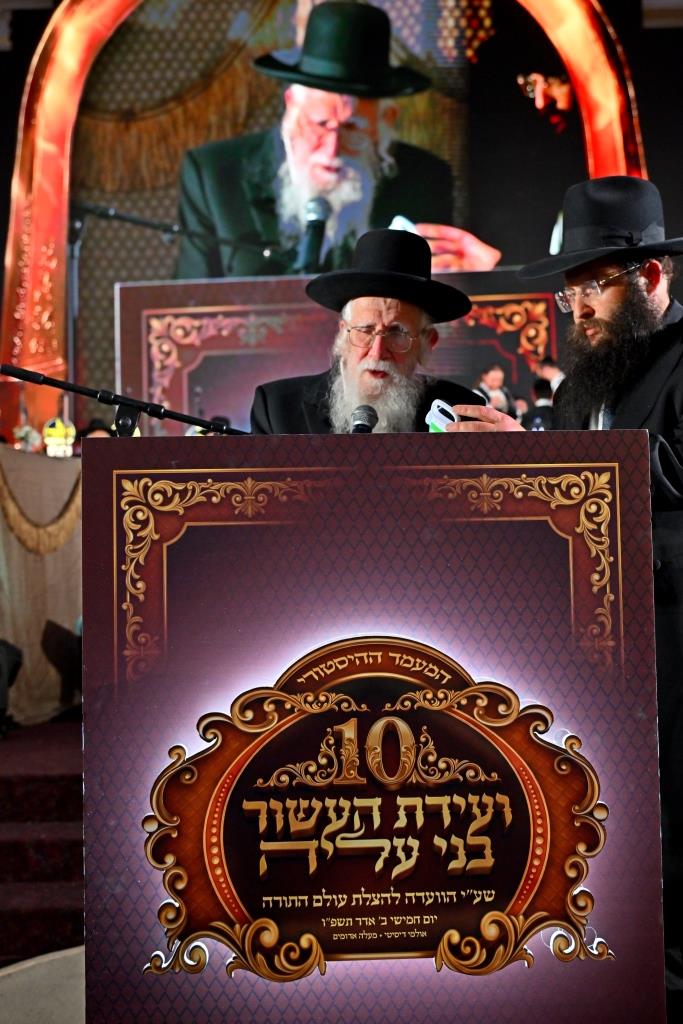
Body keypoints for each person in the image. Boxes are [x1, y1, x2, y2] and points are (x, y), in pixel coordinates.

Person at [445, 175, 683, 1016]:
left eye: (595, 286)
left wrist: (538, 455)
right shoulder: (589, 375)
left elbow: (669, 473)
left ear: (650, 277)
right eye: (568, 290)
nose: (576, 307)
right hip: (598, 647)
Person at [175, 1, 500, 279]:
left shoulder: (424, 179)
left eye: (353, 128)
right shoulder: (214, 176)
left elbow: (437, 304)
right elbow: (184, 308)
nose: (332, 149)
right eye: (320, 124)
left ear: (385, 122)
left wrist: (480, 281)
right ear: (291, 104)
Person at [250, 228, 484, 434]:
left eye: (397, 333)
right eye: (365, 330)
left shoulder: (462, 412)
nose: (377, 352)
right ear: (343, 333)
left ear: (427, 341)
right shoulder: (278, 409)